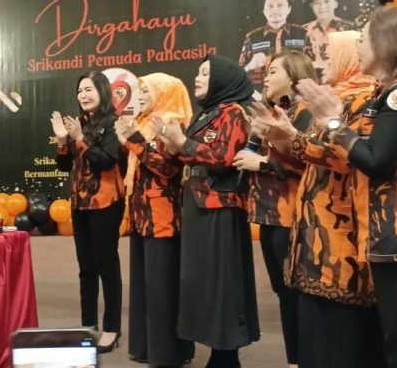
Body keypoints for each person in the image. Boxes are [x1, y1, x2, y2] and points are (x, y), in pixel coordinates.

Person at [295, 6, 397, 368]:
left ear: (386, 42)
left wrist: (334, 121)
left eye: (362, 39)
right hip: (386, 232)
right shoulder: (389, 93)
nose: (358, 47)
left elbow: (376, 160)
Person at [250, 31, 384, 368]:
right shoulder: (335, 98)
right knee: (310, 315)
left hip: (341, 226)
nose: (322, 63)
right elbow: (314, 152)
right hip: (313, 221)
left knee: (340, 326)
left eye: (330, 55)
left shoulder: (362, 99)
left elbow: (343, 158)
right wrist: (285, 137)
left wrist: (287, 140)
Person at [154, 55, 260, 368]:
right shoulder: (207, 113)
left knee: (222, 283)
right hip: (198, 207)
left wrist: (182, 143)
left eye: (205, 73)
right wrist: (171, 144)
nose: (197, 78)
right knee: (204, 283)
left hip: (220, 209)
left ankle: (226, 355)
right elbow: (191, 155)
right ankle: (219, 351)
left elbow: (225, 158)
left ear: (222, 79)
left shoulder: (234, 112)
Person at [232, 51, 316, 368]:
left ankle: (306, 358)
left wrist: (263, 162)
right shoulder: (272, 112)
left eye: (274, 71)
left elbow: (310, 161)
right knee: (283, 291)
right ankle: (294, 359)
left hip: (293, 215)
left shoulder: (305, 112)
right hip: (269, 214)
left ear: (294, 76)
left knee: (297, 291)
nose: (266, 77)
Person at [114, 73, 194, 368]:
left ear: (164, 92)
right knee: (144, 285)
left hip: (163, 217)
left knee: (162, 288)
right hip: (142, 215)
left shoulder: (172, 122)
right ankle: (145, 347)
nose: (141, 95)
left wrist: (134, 140)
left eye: (146, 90)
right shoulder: (143, 122)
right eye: (140, 90)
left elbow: (166, 168)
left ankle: (167, 353)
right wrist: (127, 139)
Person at [51, 71, 125, 353]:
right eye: (80, 90)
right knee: (86, 268)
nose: (83, 95)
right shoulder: (79, 123)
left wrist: (80, 138)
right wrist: (62, 140)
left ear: (103, 92)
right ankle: (88, 326)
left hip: (106, 203)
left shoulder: (114, 123)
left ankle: (112, 328)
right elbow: (63, 166)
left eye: (89, 89)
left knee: (106, 266)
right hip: (79, 203)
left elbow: (106, 161)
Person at [239, 0, 309, 92]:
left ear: (289, 9)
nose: (275, 10)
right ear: (263, 10)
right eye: (270, 6)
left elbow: (313, 68)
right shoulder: (252, 37)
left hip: (297, 94)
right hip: (262, 94)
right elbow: (239, 73)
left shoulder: (303, 34)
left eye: (280, 5)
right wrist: (250, 66)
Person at [302, 0, 355, 73]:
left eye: (327, 1)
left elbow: (355, 58)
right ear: (312, 6)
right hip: (311, 75)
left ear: (336, 4)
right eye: (317, 2)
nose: (322, 6)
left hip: (341, 75)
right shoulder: (304, 29)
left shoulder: (349, 28)